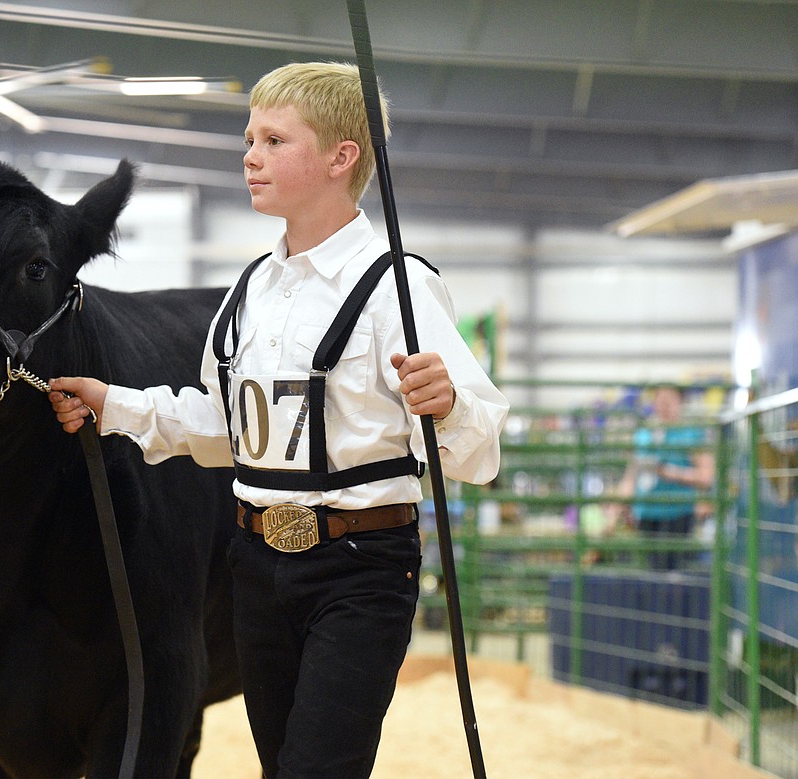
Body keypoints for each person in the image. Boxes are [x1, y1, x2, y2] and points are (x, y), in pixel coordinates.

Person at [49, 61, 508, 778]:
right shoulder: (251, 290)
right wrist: (116, 404)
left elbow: (481, 452)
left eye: (273, 139)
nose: (250, 156)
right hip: (255, 566)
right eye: (249, 138)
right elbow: (224, 426)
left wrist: (447, 403)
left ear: (340, 157)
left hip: (361, 571)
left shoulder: (399, 288)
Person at [613, 384, 714, 570]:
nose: (664, 406)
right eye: (659, 400)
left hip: (679, 514)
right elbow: (630, 476)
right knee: (652, 570)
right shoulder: (643, 435)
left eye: (669, 400)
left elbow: (707, 476)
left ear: (680, 403)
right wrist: (614, 511)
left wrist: (671, 473)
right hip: (646, 515)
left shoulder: (692, 434)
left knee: (672, 570)